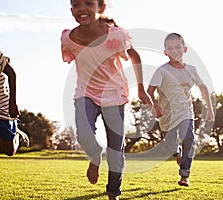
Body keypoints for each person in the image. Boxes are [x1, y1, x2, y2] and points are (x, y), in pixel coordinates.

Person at [61, 0, 151, 199]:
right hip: (85, 93)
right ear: (71, 10)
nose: (82, 9)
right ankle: (94, 154)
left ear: (100, 8)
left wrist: (141, 88)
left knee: (115, 150)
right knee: (84, 134)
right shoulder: (68, 38)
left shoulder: (115, 36)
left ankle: (113, 193)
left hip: (114, 95)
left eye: (89, 3)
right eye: (76, 4)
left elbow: (134, 55)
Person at [147, 33, 214, 187]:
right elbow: (149, 91)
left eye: (178, 47)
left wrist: (209, 109)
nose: (174, 50)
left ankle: (185, 174)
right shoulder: (162, 70)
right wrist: (155, 106)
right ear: (165, 52)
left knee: (189, 138)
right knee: (170, 146)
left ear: (184, 49)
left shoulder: (191, 69)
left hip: (185, 112)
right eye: (170, 48)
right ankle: (176, 153)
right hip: (166, 115)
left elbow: (203, 87)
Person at [0, 45, 29, 156]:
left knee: (9, 151)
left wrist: (13, 103)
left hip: (1, 104)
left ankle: (17, 134)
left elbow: (11, 74)